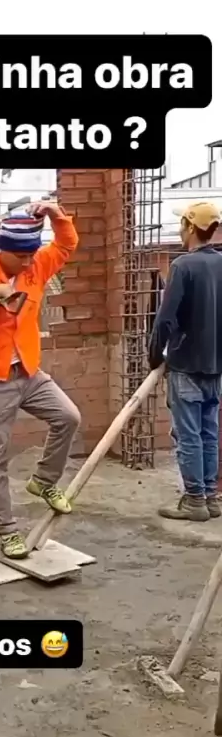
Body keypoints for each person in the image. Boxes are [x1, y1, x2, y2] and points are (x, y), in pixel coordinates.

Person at [0, 203, 81, 559]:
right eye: (20, 257)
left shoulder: (35, 265)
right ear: (2, 250)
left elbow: (66, 245)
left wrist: (56, 214)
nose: (27, 263)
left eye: (30, 256)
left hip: (28, 371)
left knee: (68, 417)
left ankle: (44, 481)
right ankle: (7, 531)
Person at [148, 201, 222, 521]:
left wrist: (155, 355)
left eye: (182, 224)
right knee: (209, 433)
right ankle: (211, 498)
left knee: (189, 435)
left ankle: (194, 501)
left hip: (187, 364)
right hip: (216, 367)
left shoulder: (183, 266)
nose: (180, 229)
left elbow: (165, 319)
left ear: (191, 228)